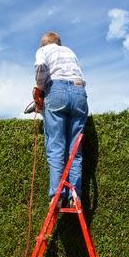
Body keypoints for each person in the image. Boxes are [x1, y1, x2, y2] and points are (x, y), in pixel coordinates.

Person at [33, 31, 88, 208]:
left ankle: (57, 196)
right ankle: (75, 196)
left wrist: (39, 88)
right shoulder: (69, 51)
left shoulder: (44, 50)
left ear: (44, 44)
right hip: (79, 92)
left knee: (56, 145)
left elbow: (41, 65)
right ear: (59, 42)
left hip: (56, 91)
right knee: (75, 149)